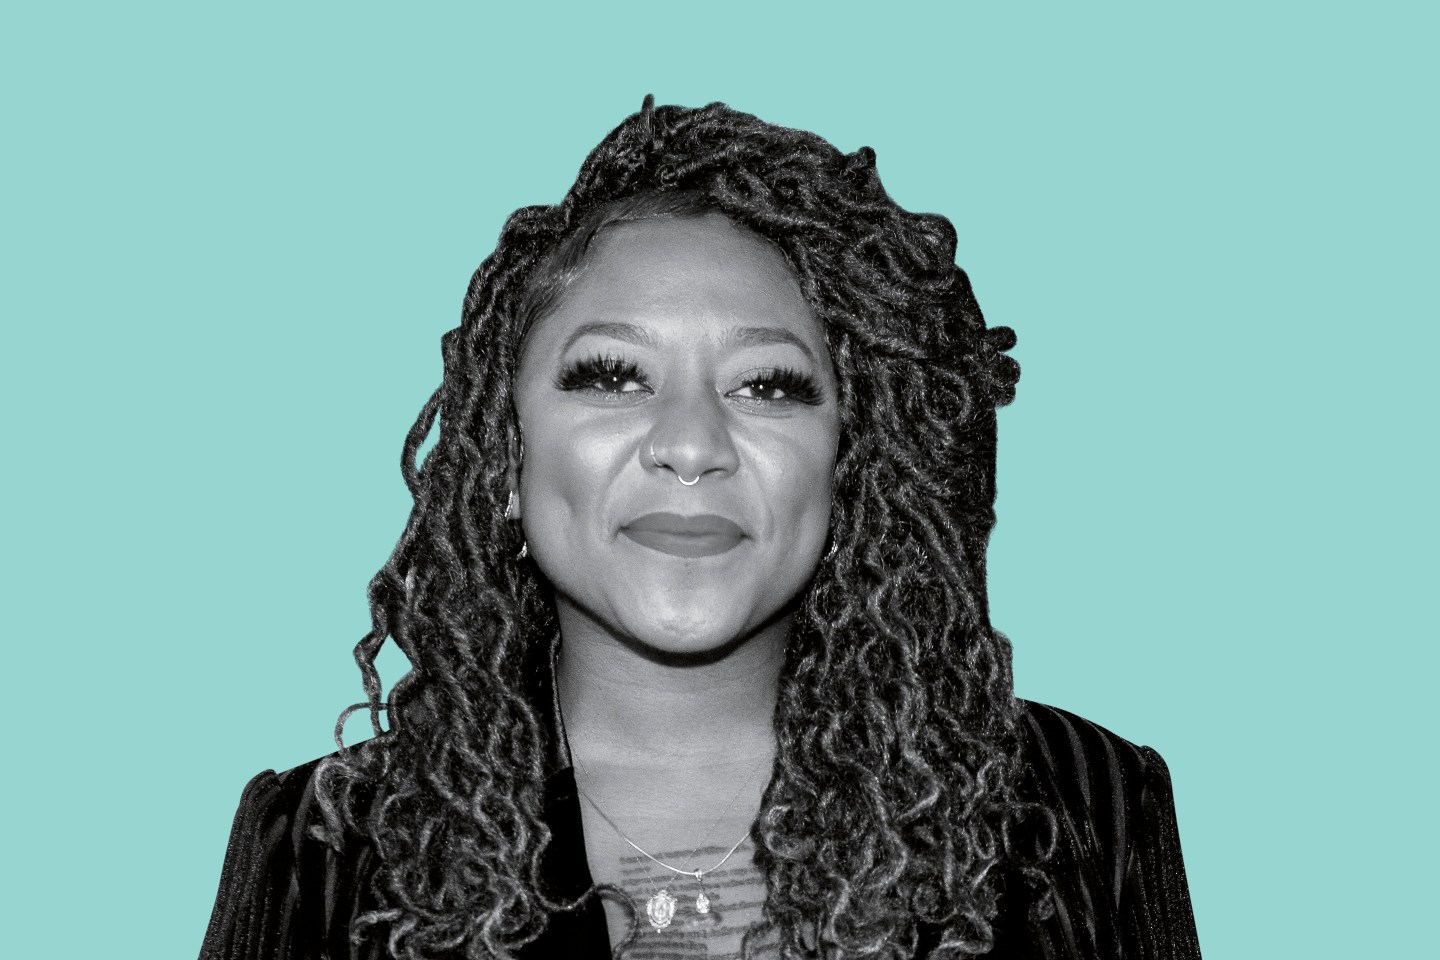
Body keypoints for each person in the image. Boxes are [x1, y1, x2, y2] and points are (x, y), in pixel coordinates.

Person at [200, 97, 1202, 960]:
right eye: (612, 376)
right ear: (505, 454)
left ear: (853, 463)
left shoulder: (1082, 809)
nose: (690, 443)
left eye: (767, 385)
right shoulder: (325, 847)